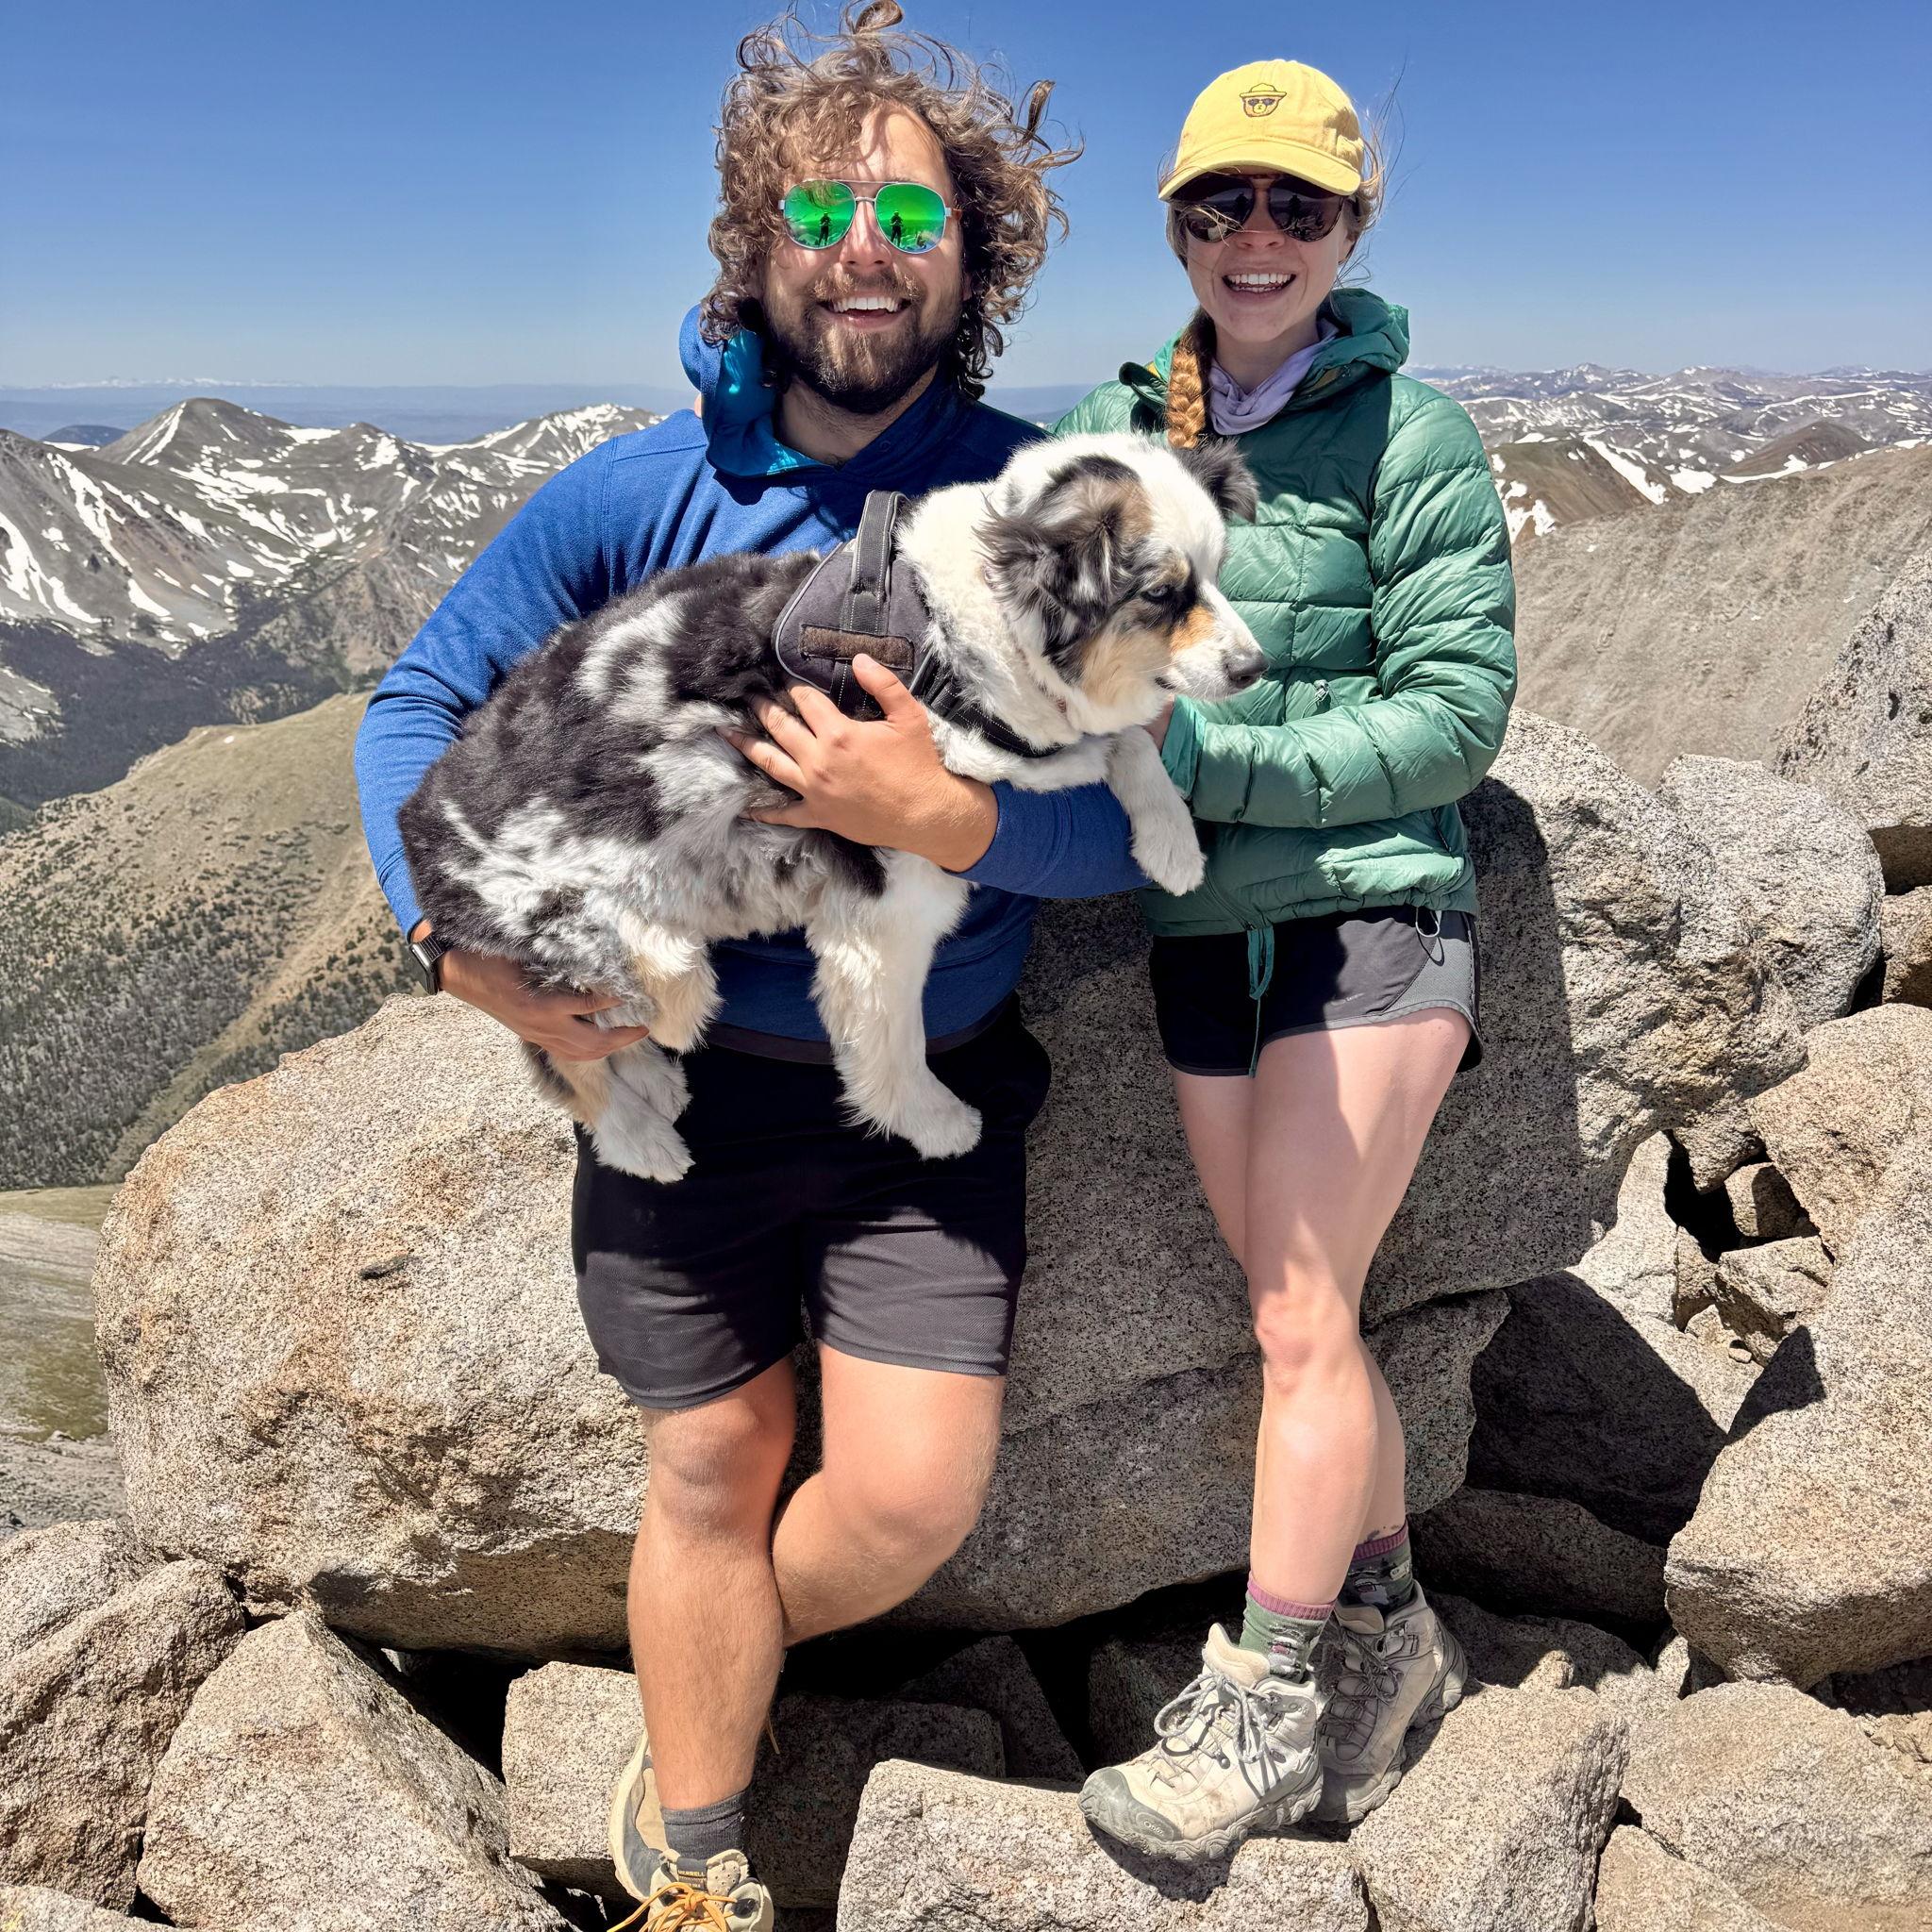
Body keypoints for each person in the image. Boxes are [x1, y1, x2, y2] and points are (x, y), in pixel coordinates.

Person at [353, 8, 1146, 1925]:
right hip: (675, 1081)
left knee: (908, 1499)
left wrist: (945, 815)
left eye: (910, 211)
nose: (864, 246)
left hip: (920, 1089)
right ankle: (694, 1865)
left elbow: (1134, 816)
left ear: (973, 250)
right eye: (819, 207)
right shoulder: (629, 497)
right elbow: (418, 705)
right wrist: (453, 943)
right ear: (755, 241)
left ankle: (700, 1664)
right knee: (710, 1453)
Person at [1057, 59, 1517, 1861]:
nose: (1257, 237)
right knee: (1296, 1314)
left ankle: (1258, 1709)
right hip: (1198, 934)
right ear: (1178, 225)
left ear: (1350, 227)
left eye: (1297, 206)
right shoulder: (1118, 428)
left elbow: (1455, 716)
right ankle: (1396, 1639)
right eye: (1220, 203)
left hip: (1372, 914)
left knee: (1300, 1316)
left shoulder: (1415, 437)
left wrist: (1211, 760)